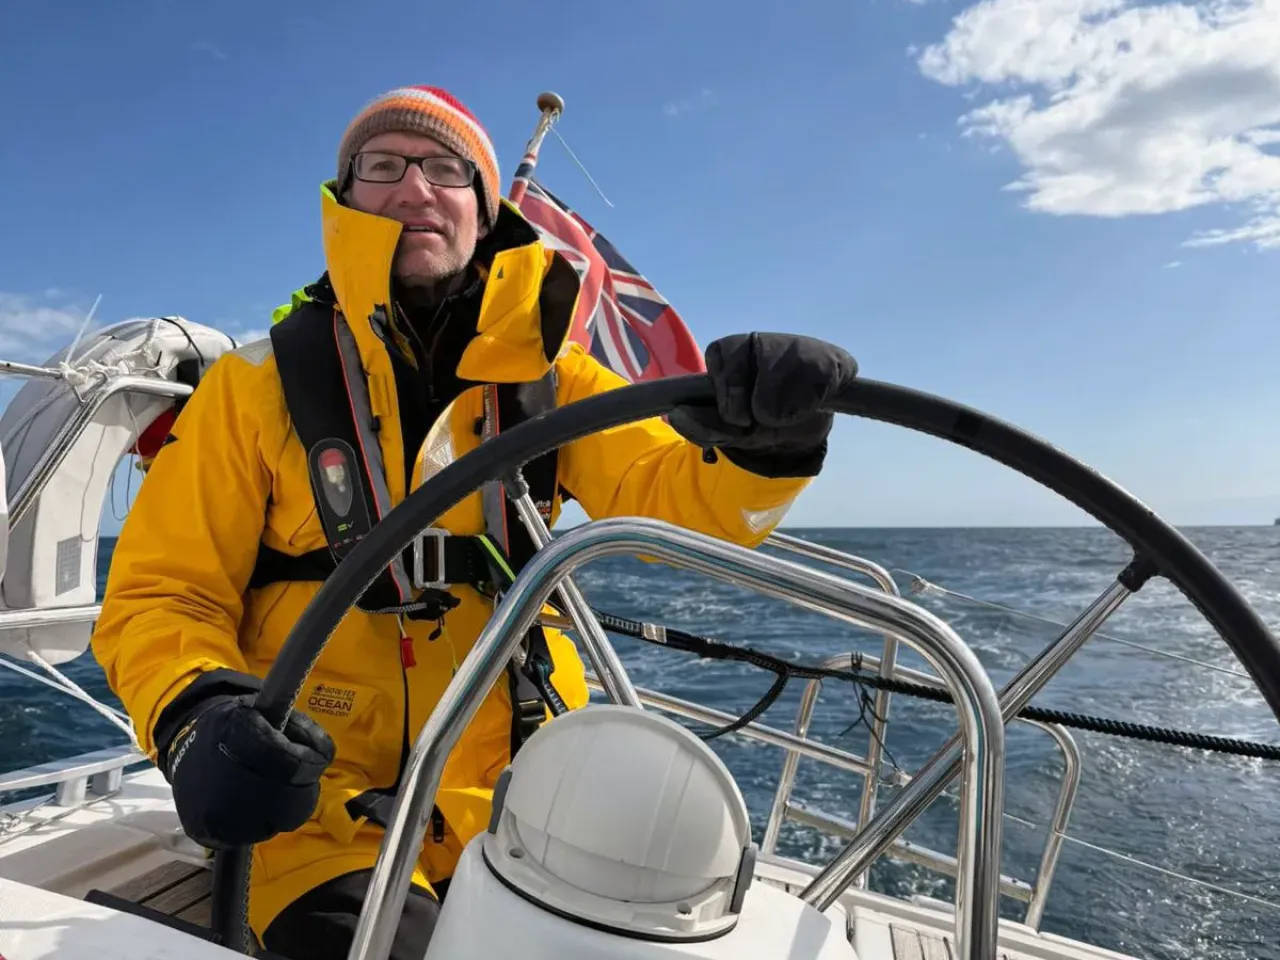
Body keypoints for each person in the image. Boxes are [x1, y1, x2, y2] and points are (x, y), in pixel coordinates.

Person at [91, 84, 857, 959]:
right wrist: (199, 715)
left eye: (445, 169)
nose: (414, 187)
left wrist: (769, 446)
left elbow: (682, 501)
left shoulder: (556, 382)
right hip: (320, 801)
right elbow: (162, 595)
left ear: (485, 208)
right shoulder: (252, 387)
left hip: (530, 785)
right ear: (343, 200)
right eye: (382, 165)